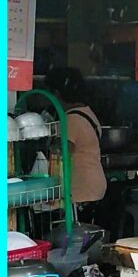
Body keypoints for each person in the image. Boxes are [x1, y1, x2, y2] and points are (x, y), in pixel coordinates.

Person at [44, 67, 107, 223]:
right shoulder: (87, 112)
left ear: (57, 94)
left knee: (78, 236)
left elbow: (61, 154)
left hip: (81, 190)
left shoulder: (71, 120)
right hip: (95, 184)